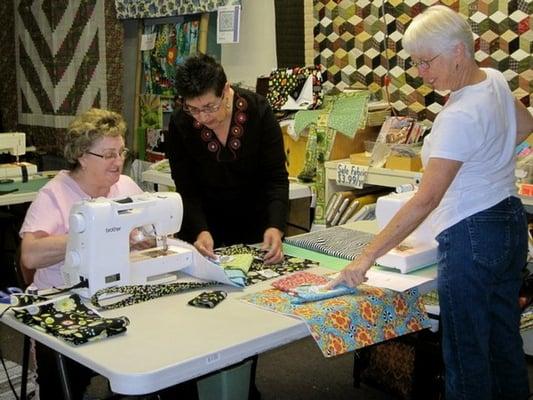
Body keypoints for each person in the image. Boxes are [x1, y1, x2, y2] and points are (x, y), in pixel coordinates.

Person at [328, 5, 533, 400]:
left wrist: (365, 258)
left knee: (465, 352)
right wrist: (490, 163)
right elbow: (524, 126)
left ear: (458, 51)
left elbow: (427, 199)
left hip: (472, 235)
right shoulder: (492, 80)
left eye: (426, 62)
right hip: (508, 223)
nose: (421, 73)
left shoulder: (458, 115)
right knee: (502, 340)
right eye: (416, 63)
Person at [19, 108, 143, 400]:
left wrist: (143, 237)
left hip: (114, 295)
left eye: (121, 151)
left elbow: (152, 231)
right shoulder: (55, 195)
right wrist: (90, 233)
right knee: (62, 379)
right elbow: (30, 256)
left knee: (161, 353)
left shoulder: (124, 186)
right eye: (109, 154)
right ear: (82, 156)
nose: (118, 161)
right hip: (62, 302)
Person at [167, 53, 289, 264]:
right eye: (193, 109)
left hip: (257, 232)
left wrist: (275, 226)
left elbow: (276, 178)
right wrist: (200, 230)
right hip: (203, 233)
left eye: (210, 107)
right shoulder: (181, 123)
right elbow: (186, 188)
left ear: (225, 90)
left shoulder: (259, 112)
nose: (203, 117)